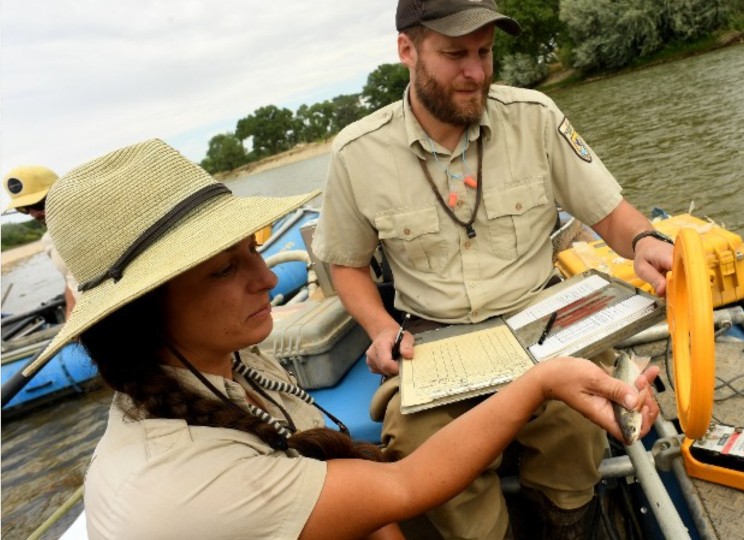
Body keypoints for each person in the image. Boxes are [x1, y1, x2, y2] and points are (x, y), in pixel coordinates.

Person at [33, 139, 661, 540]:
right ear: (141, 315)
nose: (268, 276)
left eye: (252, 250)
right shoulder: (189, 487)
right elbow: (405, 487)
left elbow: (348, 492)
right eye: (224, 269)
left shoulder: (214, 360)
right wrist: (544, 379)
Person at [312, 0, 675, 537]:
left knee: (578, 421)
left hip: (544, 325)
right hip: (437, 340)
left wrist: (644, 240)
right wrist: (382, 327)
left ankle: (568, 521)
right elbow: (346, 266)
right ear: (407, 50)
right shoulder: (356, 153)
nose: (476, 72)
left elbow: (611, 214)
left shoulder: (537, 117)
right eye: (455, 53)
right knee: (418, 444)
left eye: (485, 52)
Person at [3, 165, 80, 317]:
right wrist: (70, 321)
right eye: (25, 209)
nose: (33, 214)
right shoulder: (49, 241)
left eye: (38, 204)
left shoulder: (100, 223)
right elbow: (71, 280)